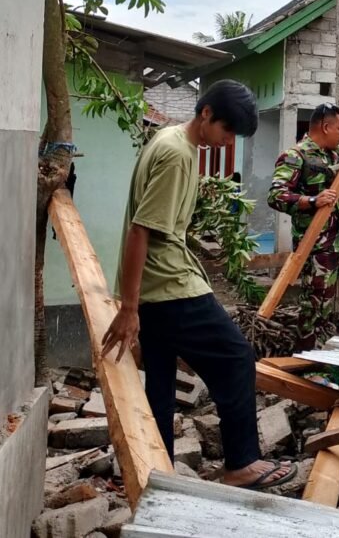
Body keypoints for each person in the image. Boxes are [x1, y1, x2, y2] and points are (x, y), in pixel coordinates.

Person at [102, 80, 296, 490]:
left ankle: (155, 475)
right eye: (227, 131)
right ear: (206, 113)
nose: (228, 142)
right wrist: (129, 307)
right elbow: (141, 230)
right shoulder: (177, 154)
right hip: (169, 285)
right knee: (236, 358)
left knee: (160, 384)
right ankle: (241, 463)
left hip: (155, 288)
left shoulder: (170, 140)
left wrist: (135, 301)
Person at [267, 102, 339, 350]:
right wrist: (312, 201)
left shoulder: (338, 154)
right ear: (325, 127)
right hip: (316, 244)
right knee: (318, 302)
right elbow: (276, 196)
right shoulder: (295, 156)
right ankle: (308, 357)